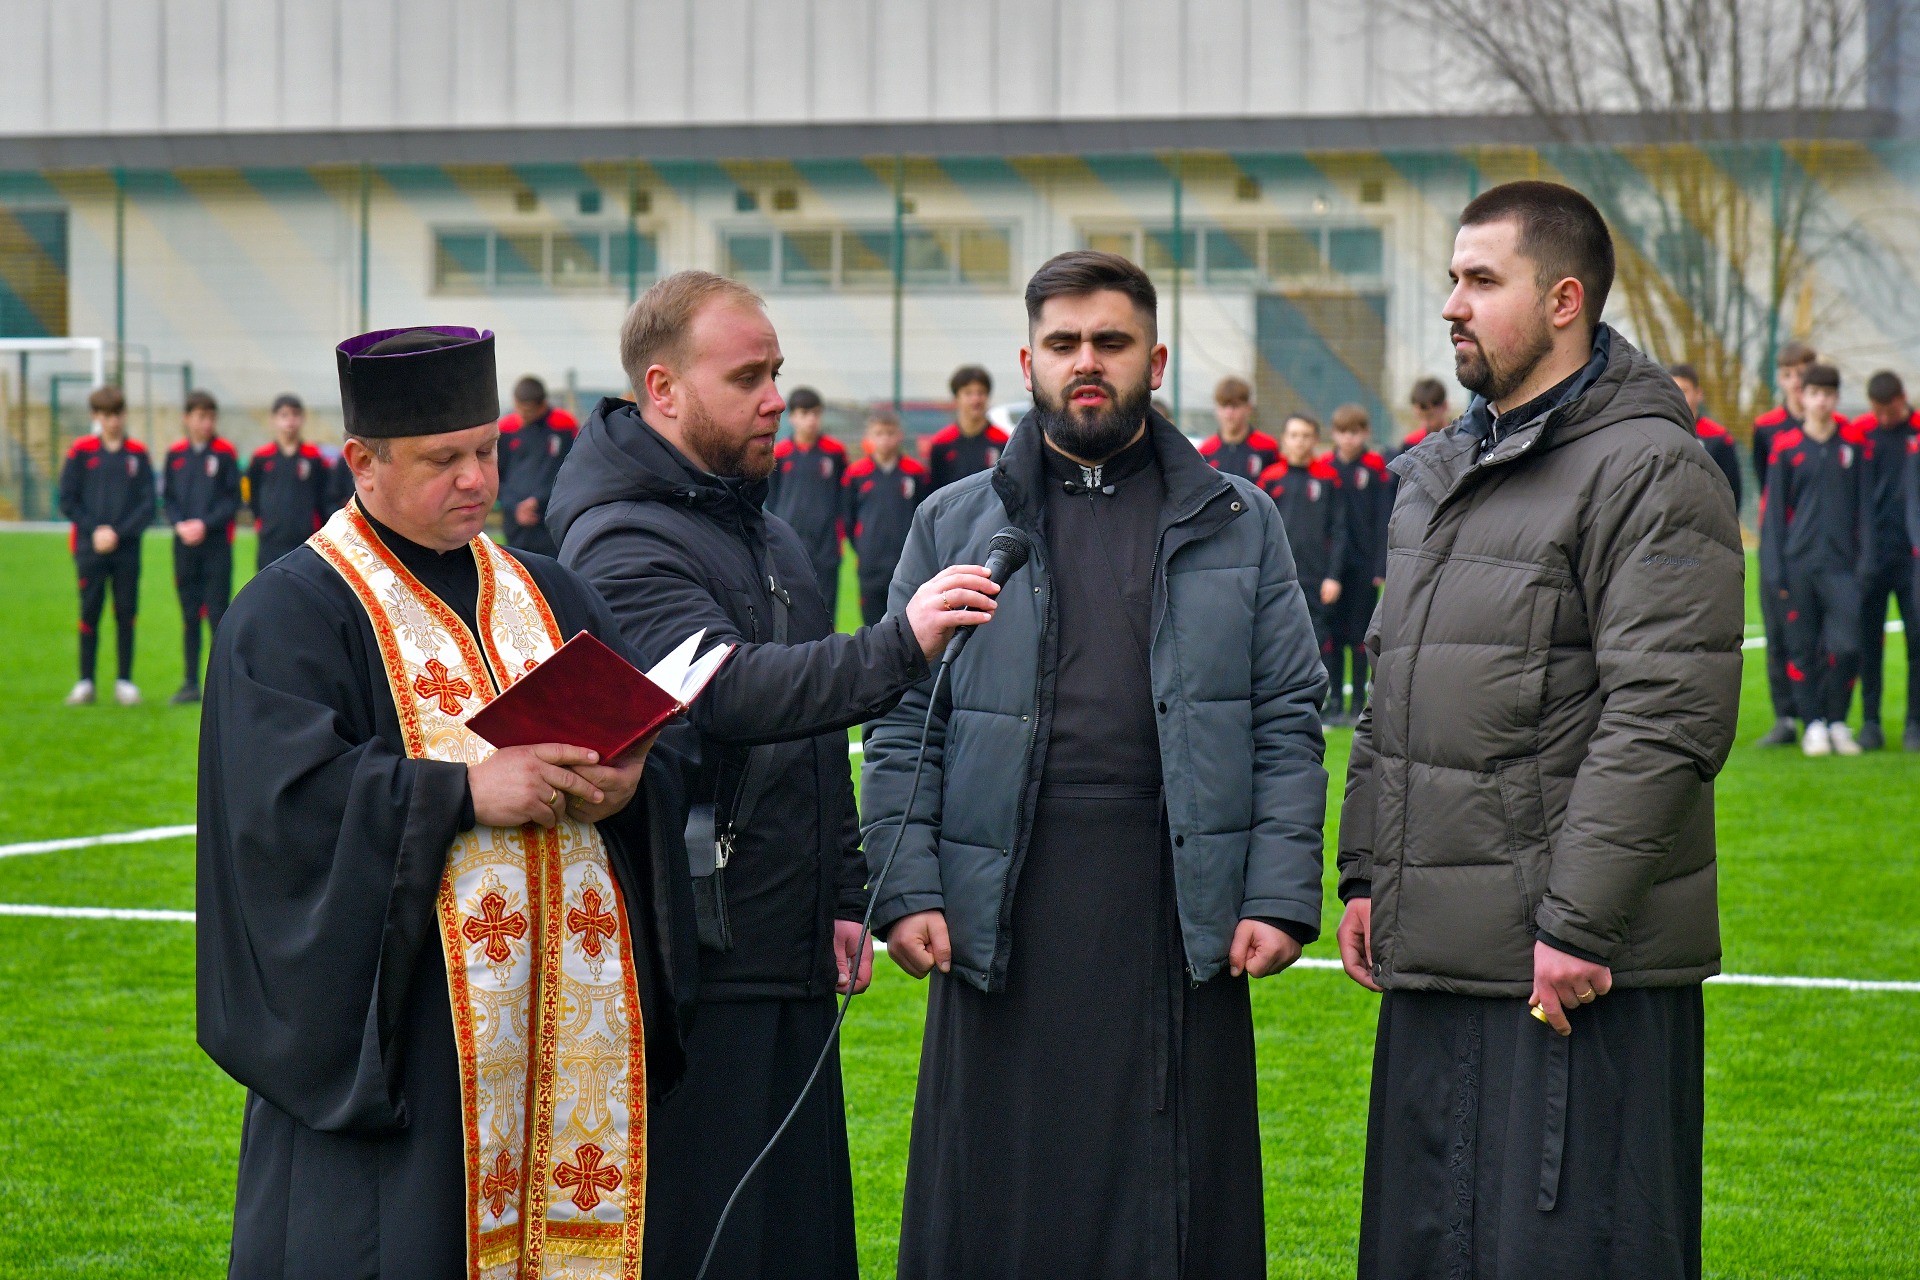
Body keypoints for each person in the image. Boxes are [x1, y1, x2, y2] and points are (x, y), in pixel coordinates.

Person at [864, 250, 1329, 1278]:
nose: (1087, 362)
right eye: (1065, 343)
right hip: (1002, 897)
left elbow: (1288, 716)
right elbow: (903, 720)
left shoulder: (1239, 519)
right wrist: (906, 888)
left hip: (1174, 895)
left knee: (1174, 1206)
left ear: (1154, 362)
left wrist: (1278, 893)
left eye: (1111, 342)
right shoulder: (952, 521)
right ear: (1028, 360)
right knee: (1000, 1199)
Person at [197, 326, 690, 1279]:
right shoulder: (291, 610)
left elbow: (644, 759)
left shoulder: (553, 591)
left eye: (487, 450)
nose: (476, 479)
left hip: (567, 1027)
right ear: (362, 462)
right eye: (442, 459)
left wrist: (627, 787)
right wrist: (459, 792)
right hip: (413, 1036)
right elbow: (278, 814)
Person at [545, 270, 997, 1280]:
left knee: (800, 1241)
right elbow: (724, 693)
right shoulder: (616, 535)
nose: (775, 400)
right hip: (694, 962)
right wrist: (902, 644)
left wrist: (841, 892)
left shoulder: (764, 526)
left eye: (777, 374)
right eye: (746, 377)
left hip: (786, 945)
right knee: (710, 1240)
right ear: (662, 389)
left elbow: (809, 733)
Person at [1337, 182, 1742, 1280]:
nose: (1451, 305)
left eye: (1481, 280)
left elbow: (1667, 713)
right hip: (1437, 958)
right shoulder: (1439, 469)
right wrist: (1365, 870)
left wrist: (1578, 924)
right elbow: (1394, 682)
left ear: (1565, 300)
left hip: (1569, 972)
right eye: (1452, 279)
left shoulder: (1649, 467)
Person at [1764, 364, 1868, 757]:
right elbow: (1774, 515)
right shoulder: (1786, 447)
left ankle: (1838, 721)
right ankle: (1813, 726)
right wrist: (1774, 570)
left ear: (1836, 398)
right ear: (1803, 397)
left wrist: (1865, 561)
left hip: (1843, 568)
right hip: (1798, 565)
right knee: (1803, 649)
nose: (1821, 401)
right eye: (1814, 394)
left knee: (1847, 647)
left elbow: (1864, 510)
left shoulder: (1852, 445)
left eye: (1828, 394)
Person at [58, 384, 153, 707]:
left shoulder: (137, 454)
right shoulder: (81, 452)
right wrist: (95, 530)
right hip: (90, 549)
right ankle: (85, 681)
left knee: (126, 613)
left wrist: (118, 533)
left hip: (126, 550)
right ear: (95, 416)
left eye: (117, 414)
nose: (113, 421)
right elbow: (67, 500)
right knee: (89, 612)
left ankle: (124, 681)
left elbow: (147, 505)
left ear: (124, 414)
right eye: (106, 415)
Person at [1845, 371, 1919, 750]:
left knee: (1916, 640)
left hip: (1912, 558)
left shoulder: (1917, 430)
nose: (1884, 419)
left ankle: (1914, 724)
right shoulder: (1861, 432)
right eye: (1878, 412)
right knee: (1868, 641)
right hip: (1871, 556)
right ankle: (1870, 722)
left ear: (1902, 399)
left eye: (1889, 411)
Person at [1752, 340, 1817, 745]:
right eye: (1788, 375)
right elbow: (1766, 485)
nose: (1795, 382)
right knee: (1777, 632)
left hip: (1819, 545)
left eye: (1801, 374)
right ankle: (1785, 718)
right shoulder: (1767, 427)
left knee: (1818, 632)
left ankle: (1822, 714)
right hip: (1777, 543)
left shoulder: (1828, 426)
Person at [160, 389, 240, 705]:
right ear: (187, 418)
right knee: (189, 615)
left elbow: (233, 500)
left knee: (218, 615)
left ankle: (220, 685)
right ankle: (190, 682)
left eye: (210, 417)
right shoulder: (176, 455)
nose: (206, 423)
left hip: (216, 546)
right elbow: (168, 499)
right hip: (184, 547)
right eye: (200, 416)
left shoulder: (225, 453)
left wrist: (205, 524)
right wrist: (179, 524)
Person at [1258, 413, 1347, 678]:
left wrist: (1333, 576)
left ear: (1316, 440)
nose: (1300, 441)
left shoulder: (1328, 478)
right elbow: (1258, 529)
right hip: (1278, 574)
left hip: (1317, 576)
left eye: (1306, 435)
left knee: (1317, 638)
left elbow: (1339, 530)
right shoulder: (1270, 478)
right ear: (1284, 439)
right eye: (1294, 435)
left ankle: (1321, 694)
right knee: (1279, 637)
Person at [1325, 403, 1390, 725]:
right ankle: (1335, 698)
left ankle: (1357, 704)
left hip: (1364, 566)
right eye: (1343, 432)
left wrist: (1381, 566)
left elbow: (1383, 520)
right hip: (1333, 569)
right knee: (1334, 636)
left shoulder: (1375, 468)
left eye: (1355, 432)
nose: (1348, 439)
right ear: (1334, 434)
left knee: (1361, 636)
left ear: (1365, 433)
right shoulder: (1325, 469)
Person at [766, 385, 849, 620]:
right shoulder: (779, 454)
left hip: (826, 542)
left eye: (815, 413)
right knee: (792, 604)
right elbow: (772, 498)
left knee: (827, 604)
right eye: (804, 413)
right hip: (790, 540)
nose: (811, 420)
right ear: (792, 417)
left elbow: (843, 497)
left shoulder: (835, 452)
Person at [843, 408, 930, 626]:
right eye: (879, 433)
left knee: (907, 623)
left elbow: (924, 516)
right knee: (872, 625)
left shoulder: (915, 472)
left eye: (890, 433)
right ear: (869, 437)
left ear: (900, 435)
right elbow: (847, 518)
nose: (885, 439)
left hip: (906, 560)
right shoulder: (856, 473)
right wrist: (862, 546)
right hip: (870, 563)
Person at [245, 393, 333, 570]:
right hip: (271, 537)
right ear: (274, 419)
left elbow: (324, 494)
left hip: (306, 538)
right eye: (284, 415)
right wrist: (261, 520)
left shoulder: (314, 456)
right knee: (269, 584)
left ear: (302, 419)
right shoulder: (261, 457)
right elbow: (250, 492)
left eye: (295, 414)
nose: (290, 420)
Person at [497, 374, 580, 557]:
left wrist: (539, 500)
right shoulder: (506, 429)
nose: (524, 416)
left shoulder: (563, 425)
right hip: (516, 523)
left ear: (542, 405)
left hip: (551, 520)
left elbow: (571, 471)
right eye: (521, 410)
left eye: (529, 411)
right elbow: (496, 477)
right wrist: (515, 506)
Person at [1668, 363, 1743, 512]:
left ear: (1698, 394)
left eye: (1683, 391)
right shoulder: (1660, 433)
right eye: (1671, 390)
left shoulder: (1718, 437)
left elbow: (1732, 490)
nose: (1677, 397)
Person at [924, 364, 1010, 491]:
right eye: (968, 393)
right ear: (956, 399)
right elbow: (933, 491)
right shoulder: (941, 444)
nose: (975, 399)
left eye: (981, 393)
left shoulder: (1003, 442)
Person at [1196, 375, 1280, 480]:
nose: (1228, 413)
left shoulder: (1268, 447)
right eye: (1223, 406)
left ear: (1248, 408)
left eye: (1235, 406)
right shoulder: (1205, 451)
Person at [1396, 376, 1451, 455]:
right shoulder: (1410, 444)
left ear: (1445, 406)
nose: (1425, 424)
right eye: (1420, 417)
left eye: (1430, 416)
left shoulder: (1461, 441)